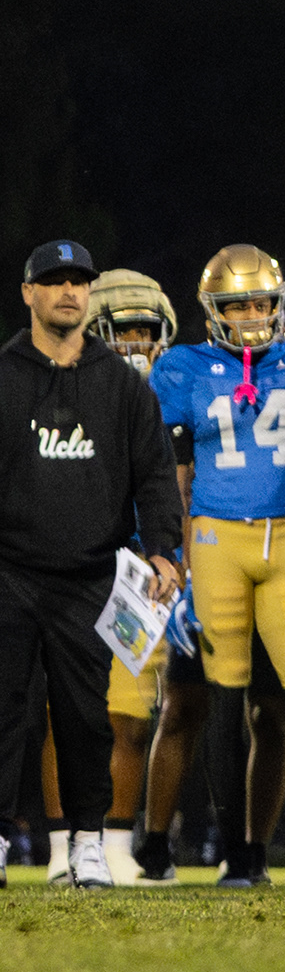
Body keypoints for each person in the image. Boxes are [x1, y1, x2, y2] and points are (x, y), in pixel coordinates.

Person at [150, 243, 285, 886]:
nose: (250, 315)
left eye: (261, 302)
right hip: (216, 539)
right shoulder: (182, 369)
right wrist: (179, 567)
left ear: (280, 304)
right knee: (224, 696)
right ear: (212, 311)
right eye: (237, 304)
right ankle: (239, 857)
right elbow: (175, 479)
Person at [0, 243, 185, 891]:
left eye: (78, 281)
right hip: (11, 571)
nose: (67, 292)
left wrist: (163, 547)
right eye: (53, 282)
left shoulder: (122, 386)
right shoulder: (4, 374)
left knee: (85, 716)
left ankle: (86, 842)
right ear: (28, 293)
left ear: (91, 293)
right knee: (5, 710)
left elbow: (156, 476)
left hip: (88, 577)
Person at [81, 270, 185, 879]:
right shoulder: (71, 391)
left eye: (148, 332)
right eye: (125, 332)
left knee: (158, 711)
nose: (139, 343)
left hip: (161, 566)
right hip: (95, 566)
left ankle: (136, 844)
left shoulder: (177, 389)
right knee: (92, 713)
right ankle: (89, 844)